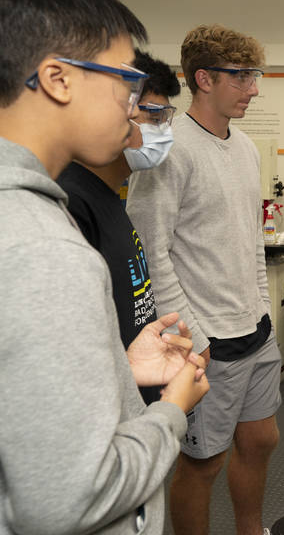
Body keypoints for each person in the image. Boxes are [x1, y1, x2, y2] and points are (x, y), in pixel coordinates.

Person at [0, 0, 209, 535]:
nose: (133, 103)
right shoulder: (43, 248)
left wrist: (119, 366)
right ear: (58, 78)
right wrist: (171, 412)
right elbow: (65, 500)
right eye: (125, 80)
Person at [126, 23, 281, 535]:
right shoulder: (170, 152)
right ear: (204, 79)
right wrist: (193, 333)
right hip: (208, 340)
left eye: (254, 76)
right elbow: (151, 250)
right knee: (202, 463)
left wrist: (264, 308)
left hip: (254, 331)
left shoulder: (248, 149)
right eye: (242, 76)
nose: (254, 88)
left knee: (261, 441)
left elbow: (249, 240)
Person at [57, 49, 196, 405]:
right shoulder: (72, 203)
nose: (161, 130)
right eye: (152, 115)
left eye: (166, 117)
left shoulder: (109, 198)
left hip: (137, 392)